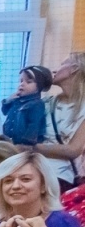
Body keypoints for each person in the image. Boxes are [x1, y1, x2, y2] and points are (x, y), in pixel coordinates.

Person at [36, 51, 85, 188]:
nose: (54, 70)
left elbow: (73, 149)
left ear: (74, 68)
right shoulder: (45, 102)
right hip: (33, 169)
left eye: (63, 64)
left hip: (60, 177)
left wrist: (31, 147)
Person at [3, 66, 53, 148]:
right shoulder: (16, 100)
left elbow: (34, 124)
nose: (22, 84)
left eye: (28, 82)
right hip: (9, 142)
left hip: (23, 145)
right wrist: (9, 100)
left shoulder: (37, 104)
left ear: (39, 87)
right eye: (21, 81)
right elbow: (4, 111)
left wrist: (27, 143)